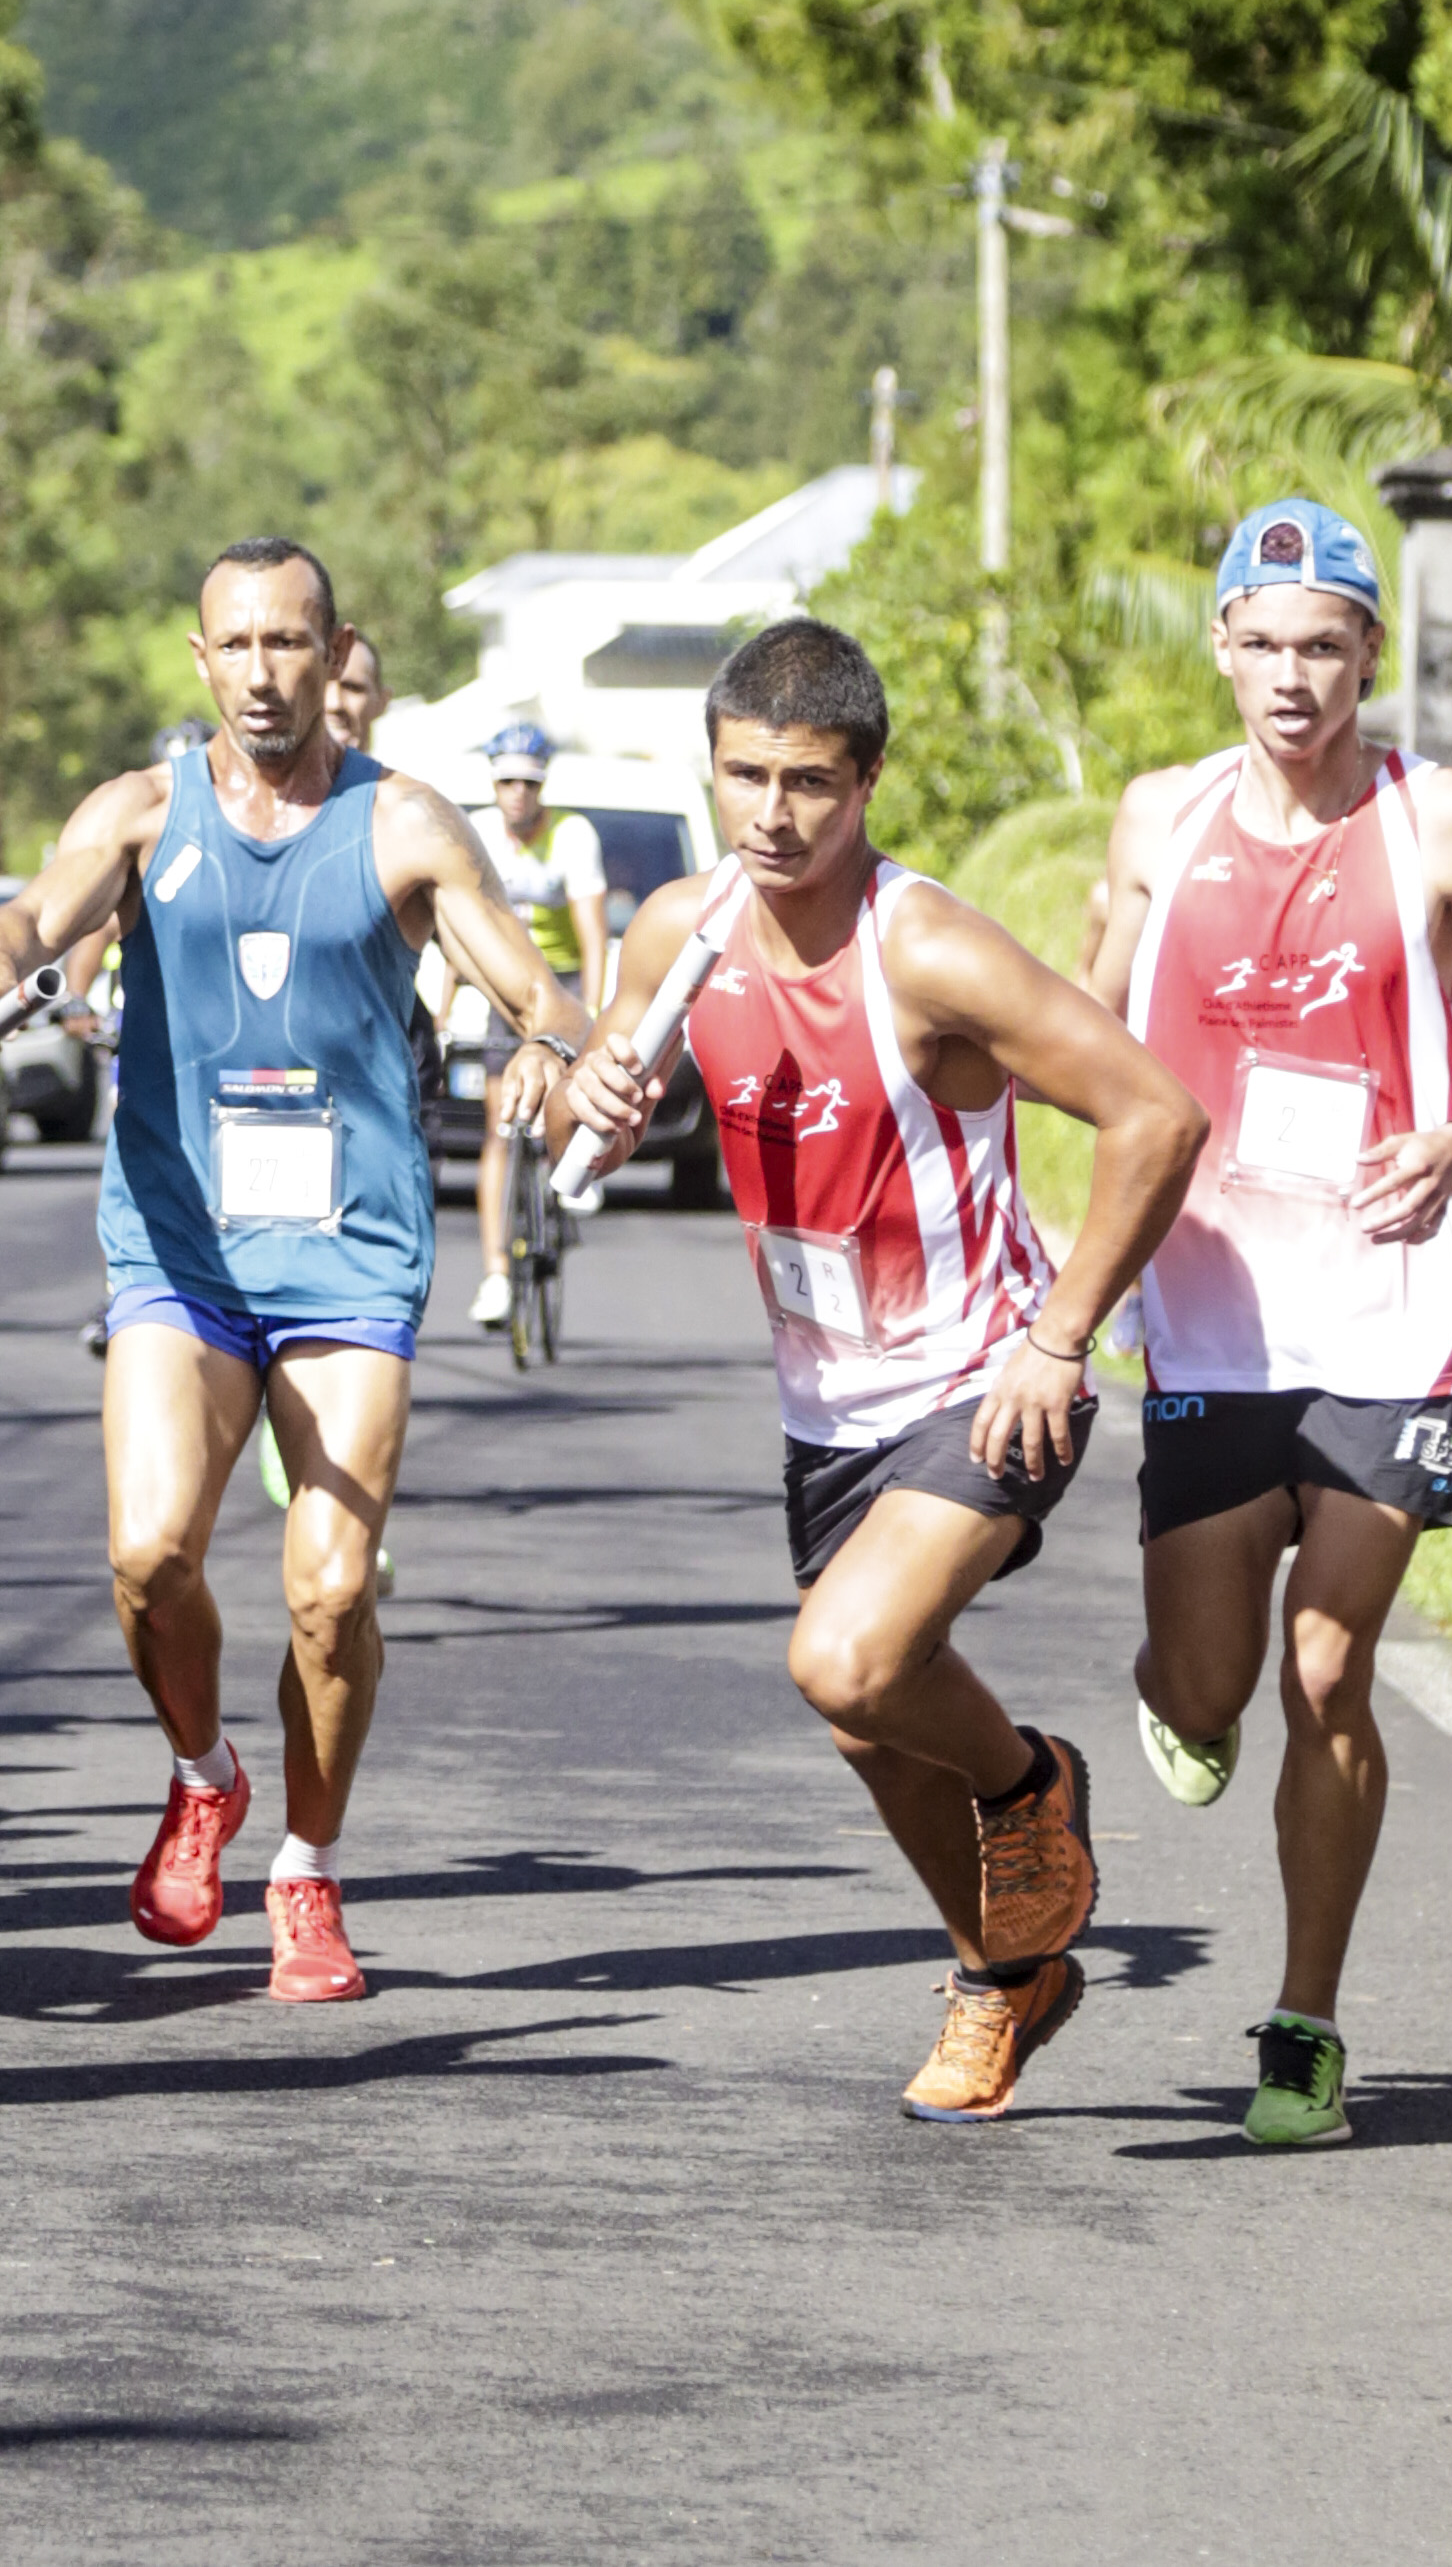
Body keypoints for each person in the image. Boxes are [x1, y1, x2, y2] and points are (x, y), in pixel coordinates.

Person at [555, 620, 1202, 2115]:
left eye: (810, 784)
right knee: (865, 1711)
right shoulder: (681, 930)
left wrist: (1062, 1336)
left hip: (985, 1375)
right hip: (824, 1402)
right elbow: (602, 1097)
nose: (772, 815)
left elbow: (1155, 1113)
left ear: (869, 782)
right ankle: (1005, 1975)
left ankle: (1033, 1784)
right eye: (744, 777)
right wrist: (587, 1075)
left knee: (844, 1656)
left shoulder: (927, 948)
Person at [0, 539, 591, 2001]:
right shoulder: (137, 810)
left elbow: (528, 980)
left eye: (289, 643)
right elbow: (27, 916)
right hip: (178, 1244)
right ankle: (202, 1773)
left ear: (334, 651)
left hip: (351, 1249)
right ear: (200, 658)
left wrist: (559, 1052)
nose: (261, 671)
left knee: (329, 1580)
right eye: (234, 644)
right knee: (148, 1552)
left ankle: (306, 1867)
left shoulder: (405, 823)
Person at [1081, 498, 1452, 2146]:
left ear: (1368, 652)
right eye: (1266, 641)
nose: (1293, 677)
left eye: (1325, 644)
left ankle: (1304, 2019)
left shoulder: (1441, 822)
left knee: (1330, 1669)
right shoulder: (1162, 820)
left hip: (1388, 1314)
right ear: (1221, 642)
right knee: (1217, 1683)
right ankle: (1176, 1694)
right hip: (1213, 1314)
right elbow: (1078, 1034)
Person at [463, 722, 615, 1332]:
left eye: (528, 783)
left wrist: (596, 1017)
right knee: (500, 1125)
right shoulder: (476, 832)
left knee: (561, 1088)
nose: (517, 795)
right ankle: (497, 1273)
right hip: (506, 982)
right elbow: (464, 935)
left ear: (542, 784)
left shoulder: (572, 835)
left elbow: (593, 936)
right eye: (506, 783)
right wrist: (450, 1006)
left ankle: (574, 1158)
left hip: (564, 980)